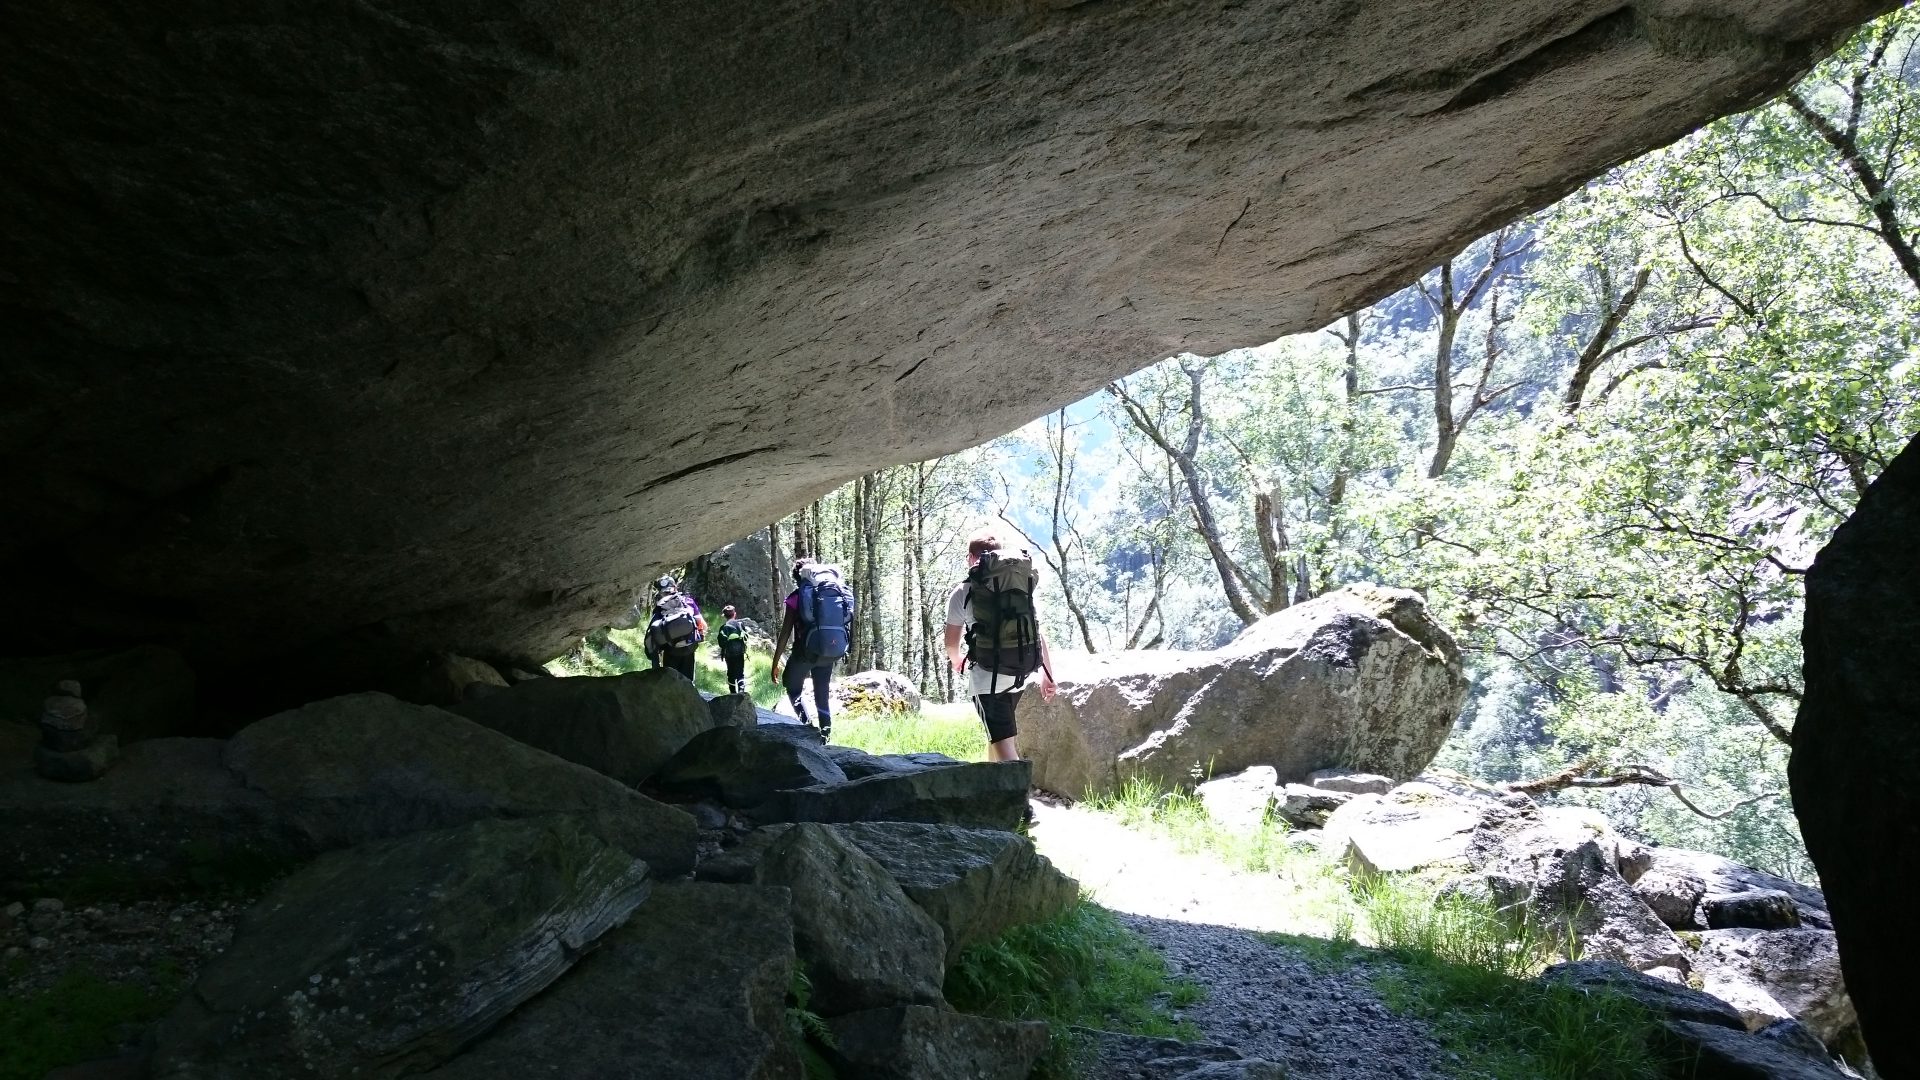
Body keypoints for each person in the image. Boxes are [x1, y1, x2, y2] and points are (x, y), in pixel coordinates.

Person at [944, 531, 1056, 762]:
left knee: (1004, 748)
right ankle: (995, 790)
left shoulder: (963, 591)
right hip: (1022, 670)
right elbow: (1036, 630)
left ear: (970, 558)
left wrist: (957, 661)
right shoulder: (1019, 586)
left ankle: (1020, 795)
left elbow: (951, 641)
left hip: (988, 679)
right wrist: (1048, 675)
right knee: (998, 736)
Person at [769, 558, 854, 739]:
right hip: (829, 652)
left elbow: (785, 633)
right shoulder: (833, 593)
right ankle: (825, 735)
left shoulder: (796, 597)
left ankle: (807, 726)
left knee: (792, 687)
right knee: (821, 693)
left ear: (798, 578)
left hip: (805, 653)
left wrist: (775, 663)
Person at [645, 575, 705, 681]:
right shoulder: (688, 601)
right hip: (689, 647)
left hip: (670, 649)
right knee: (688, 680)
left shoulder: (659, 607)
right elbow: (701, 624)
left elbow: (654, 631)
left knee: (671, 680)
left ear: (660, 591)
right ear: (675, 587)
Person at [715, 604, 750, 695]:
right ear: (735, 614)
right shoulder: (740, 624)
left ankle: (733, 692)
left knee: (731, 672)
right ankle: (741, 690)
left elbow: (721, 642)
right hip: (740, 652)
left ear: (725, 616)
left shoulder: (724, 627)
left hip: (729, 654)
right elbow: (745, 637)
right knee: (740, 672)